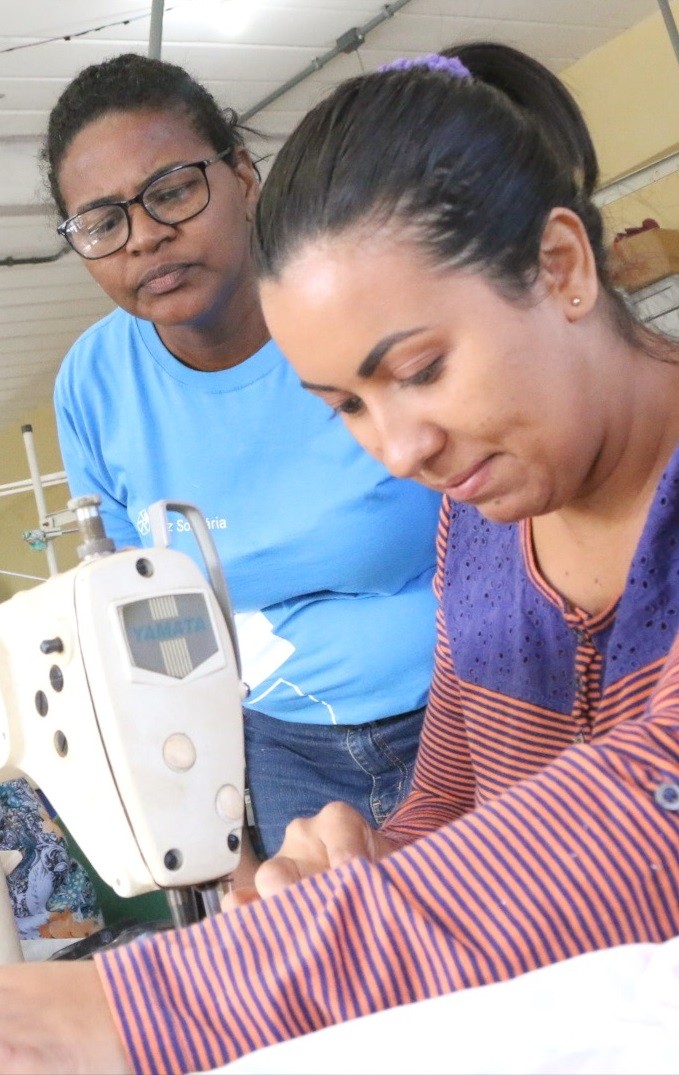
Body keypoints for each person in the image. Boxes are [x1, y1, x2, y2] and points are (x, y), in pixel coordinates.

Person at [1, 41, 679, 1075]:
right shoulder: (489, 521)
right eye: (346, 408)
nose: (402, 451)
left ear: (562, 267)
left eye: (419, 370)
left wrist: (135, 1006)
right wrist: (363, 860)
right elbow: (453, 793)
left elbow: (645, 808)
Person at [44, 53, 441, 859]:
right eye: (101, 222)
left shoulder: (353, 299)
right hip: (277, 743)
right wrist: (218, 832)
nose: (146, 236)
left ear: (242, 175)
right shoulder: (94, 384)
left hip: (468, 701)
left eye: (173, 191)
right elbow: (143, 626)